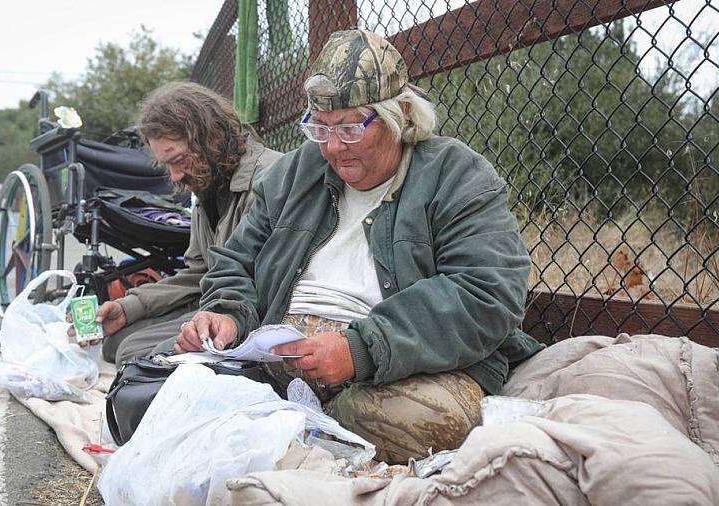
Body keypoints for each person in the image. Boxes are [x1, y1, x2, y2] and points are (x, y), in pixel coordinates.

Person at [174, 29, 543, 463]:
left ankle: (288, 429)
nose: (332, 148)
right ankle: (294, 429)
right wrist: (228, 315)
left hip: (396, 369)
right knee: (159, 384)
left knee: (419, 420)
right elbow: (234, 261)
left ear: (400, 115)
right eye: (320, 129)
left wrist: (362, 349)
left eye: (351, 128)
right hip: (275, 356)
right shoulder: (293, 174)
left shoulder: (457, 175)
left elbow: (487, 292)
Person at [70, 81, 282, 364]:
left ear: (212, 137)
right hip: (212, 304)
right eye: (167, 165)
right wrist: (128, 308)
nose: (175, 177)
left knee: (132, 354)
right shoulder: (208, 184)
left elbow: (266, 285)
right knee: (115, 343)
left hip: (248, 316)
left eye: (179, 160)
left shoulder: (269, 178)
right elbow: (199, 274)